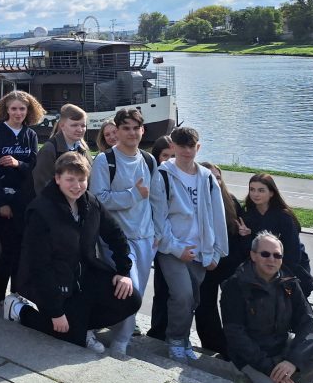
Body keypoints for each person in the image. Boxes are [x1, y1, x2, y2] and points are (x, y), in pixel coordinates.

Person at [6, 152, 141, 352]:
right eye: (70, 179)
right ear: (57, 179)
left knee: (131, 300)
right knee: (68, 334)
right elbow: (38, 266)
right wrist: (55, 311)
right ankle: (19, 310)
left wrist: (123, 271)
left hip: (84, 276)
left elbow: (115, 234)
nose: (77, 186)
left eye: (82, 179)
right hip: (54, 281)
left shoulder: (91, 203)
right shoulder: (41, 211)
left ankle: (82, 326)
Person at [221, 231, 313, 383]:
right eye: (265, 254)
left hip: (282, 346)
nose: (272, 259)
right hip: (252, 358)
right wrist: (269, 368)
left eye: (277, 255)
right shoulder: (235, 286)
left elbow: (308, 325)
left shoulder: (289, 283)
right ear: (253, 255)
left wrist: (293, 361)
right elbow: (236, 337)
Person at [150, 126, 228, 361]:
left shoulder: (206, 177)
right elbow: (159, 217)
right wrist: (175, 248)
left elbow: (217, 215)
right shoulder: (163, 175)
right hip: (172, 249)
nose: (186, 151)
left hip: (199, 249)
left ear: (198, 147)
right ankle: (175, 339)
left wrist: (216, 252)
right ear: (173, 146)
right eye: (181, 146)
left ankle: (183, 340)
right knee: (182, 295)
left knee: (193, 299)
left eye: (191, 146)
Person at [89, 108, 161, 355]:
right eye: (126, 128)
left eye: (135, 128)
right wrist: (133, 195)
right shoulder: (104, 160)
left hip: (146, 237)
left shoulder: (149, 160)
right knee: (130, 290)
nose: (131, 133)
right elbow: (98, 199)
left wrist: (158, 232)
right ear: (117, 131)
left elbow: (157, 199)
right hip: (117, 239)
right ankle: (120, 342)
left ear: (143, 130)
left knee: (132, 291)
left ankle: (119, 332)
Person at [0, 90, 42, 307]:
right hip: (2, 200)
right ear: (6, 110)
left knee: (20, 251)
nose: (18, 113)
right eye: (14, 109)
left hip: (23, 201)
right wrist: (1, 203)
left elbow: (34, 169)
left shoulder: (30, 135)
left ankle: (16, 295)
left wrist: (18, 164)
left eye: (22, 109)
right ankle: (0, 298)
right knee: (8, 250)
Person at [194, 162, 250, 358]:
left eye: (218, 177)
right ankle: (212, 345)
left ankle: (232, 346)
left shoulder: (231, 201)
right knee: (204, 307)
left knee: (231, 306)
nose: (215, 181)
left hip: (229, 262)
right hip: (206, 263)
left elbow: (241, 230)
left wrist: (244, 234)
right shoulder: (196, 200)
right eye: (210, 177)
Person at [241, 173, 313, 298]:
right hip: (259, 267)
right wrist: (245, 235)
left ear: (271, 193)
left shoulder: (283, 216)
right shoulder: (247, 215)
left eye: (261, 190)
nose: (255, 194)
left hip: (288, 265)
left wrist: (279, 275)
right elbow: (247, 250)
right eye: (252, 190)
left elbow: (293, 252)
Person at [145, 134, 175, 341]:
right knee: (162, 286)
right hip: (158, 237)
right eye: (165, 155)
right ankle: (158, 330)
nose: (169, 160)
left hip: (177, 237)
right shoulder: (154, 176)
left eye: (173, 155)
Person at [32, 103, 90, 196]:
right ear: (62, 126)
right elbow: (42, 186)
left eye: (83, 125)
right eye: (74, 125)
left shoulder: (83, 148)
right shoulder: (49, 150)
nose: (80, 130)